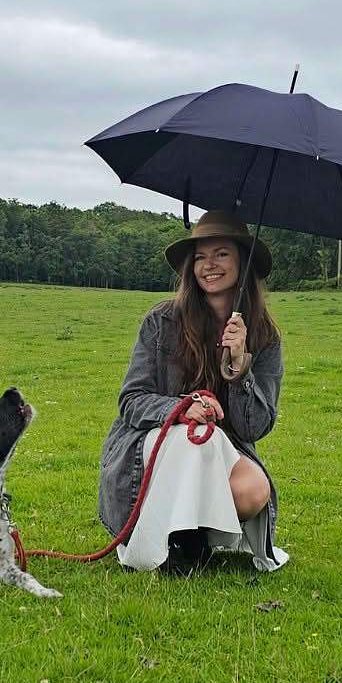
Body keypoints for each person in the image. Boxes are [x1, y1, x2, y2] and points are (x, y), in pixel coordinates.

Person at [98, 210, 288, 572]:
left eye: (221, 254)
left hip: (220, 448)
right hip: (151, 442)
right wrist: (180, 409)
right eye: (200, 257)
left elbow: (254, 428)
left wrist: (239, 367)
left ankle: (195, 533)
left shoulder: (264, 336)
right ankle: (172, 544)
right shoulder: (161, 321)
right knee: (196, 438)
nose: (209, 265)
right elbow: (131, 401)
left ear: (242, 262)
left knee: (253, 489)